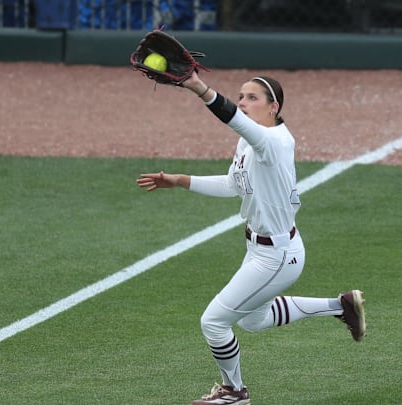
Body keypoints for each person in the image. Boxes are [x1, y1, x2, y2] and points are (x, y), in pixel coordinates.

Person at [136, 71, 366, 405]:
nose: (243, 103)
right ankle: (340, 305)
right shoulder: (251, 141)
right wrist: (180, 180)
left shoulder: (273, 141)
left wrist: (196, 86)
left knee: (214, 322)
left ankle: (234, 392)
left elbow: (229, 116)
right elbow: (233, 185)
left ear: (273, 107)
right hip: (263, 250)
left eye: (252, 98)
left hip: (277, 257)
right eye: (241, 96)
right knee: (254, 320)